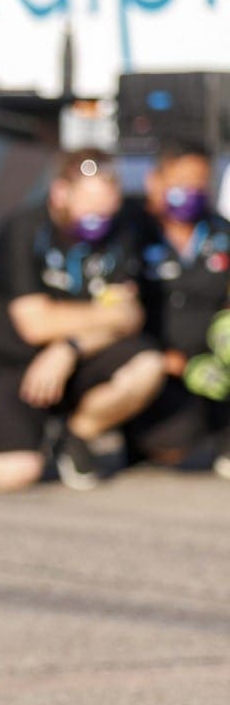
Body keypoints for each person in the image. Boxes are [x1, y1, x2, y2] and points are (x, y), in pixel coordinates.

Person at [0, 150, 164, 491]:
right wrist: (101, 317)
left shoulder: (118, 236)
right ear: (61, 193)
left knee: (148, 365)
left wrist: (70, 346)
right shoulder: (24, 230)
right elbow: (34, 324)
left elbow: (129, 317)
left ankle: (75, 436)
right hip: (5, 364)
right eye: (90, 209)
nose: (99, 219)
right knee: (15, 472)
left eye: (106, 209)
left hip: (67, 361)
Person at [119, 140, 230, 471]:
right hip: (156, 362)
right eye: (183, 181)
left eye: (199, 182)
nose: (191, 190)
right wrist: (168, 360)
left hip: (212, 362)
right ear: (156, 180)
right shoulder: (130, 231)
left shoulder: (220, 232)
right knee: (172, 443)